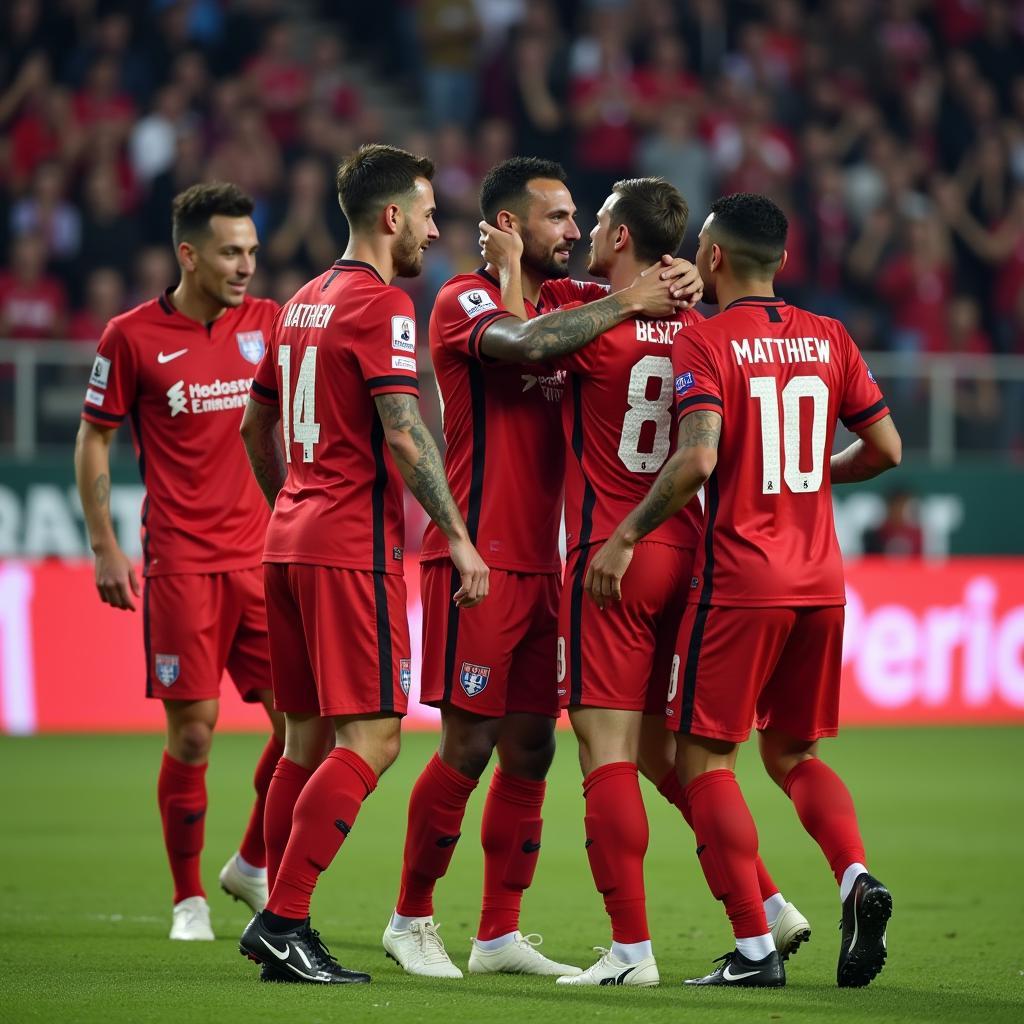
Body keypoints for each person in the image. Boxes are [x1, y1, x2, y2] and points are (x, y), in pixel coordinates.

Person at [382, 156, 700, 980]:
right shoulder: (463, 299)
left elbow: (628, 304)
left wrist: (682, 272)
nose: (573, 230)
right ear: (512, 225)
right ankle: (410, 919)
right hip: (477, 558)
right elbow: (523, 345)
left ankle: (497, 935)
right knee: (467, 744)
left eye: (578, 219)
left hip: (550, 567)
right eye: (559, 218)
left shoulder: (572, 300)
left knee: (531, 750)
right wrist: (632, 297)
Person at [486, 178, 808, 987]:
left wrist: (501, 270)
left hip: (613, 557)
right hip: (693, 557)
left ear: (623, 238)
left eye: (594, 222)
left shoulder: (598, 325)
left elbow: (522, 334)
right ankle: (763, 910)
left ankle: (630, 952)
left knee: (606, 752)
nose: (584, 231)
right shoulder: (700, 332)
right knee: (675, 756)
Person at [587, 193, 901, 988]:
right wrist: (812, 476)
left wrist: (624, 535)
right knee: (793, 750)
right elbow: (887, 447)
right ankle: (854, 877)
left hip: (742, 579)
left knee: (703, 760)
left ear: (713, 259)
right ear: (784, 263)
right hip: (823, 580)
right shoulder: (830, 336)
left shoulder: (704, 340)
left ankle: (756, 951)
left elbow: (696, 459)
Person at [237, 143, 489, 985]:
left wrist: (291, 504)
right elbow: (405, 429)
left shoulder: (298, 301)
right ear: (391, 218)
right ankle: (284, 918)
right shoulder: (385, 307)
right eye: (424, 213)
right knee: (375, 738)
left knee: (303, 742)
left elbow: (253, 428)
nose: (432, 228)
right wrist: (455, 535)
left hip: (290, 540)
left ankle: (281, 915)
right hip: (349, 550)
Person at [74, 183, 284, 941]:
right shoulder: (130, 337)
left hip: (266, 560)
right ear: (188, 254)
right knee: (193, 733)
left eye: (253, 252)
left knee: (303, 730)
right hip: (182, 563)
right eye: (231, 252)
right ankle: (188, 898)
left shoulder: (270, 323)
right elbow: (94, 436)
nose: (245, 266)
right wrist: (103, 543)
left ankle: (252, 865)